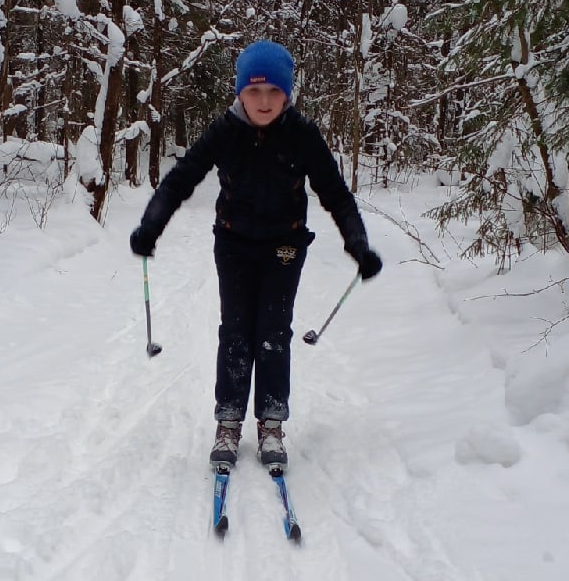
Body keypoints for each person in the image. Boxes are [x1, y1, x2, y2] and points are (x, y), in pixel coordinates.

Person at [129, 39, 382, 470]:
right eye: (254, 91)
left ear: (287, 94)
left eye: (274, 92)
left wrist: (357, 242)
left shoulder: (302, 135)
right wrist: (151, 225)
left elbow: (336, 195)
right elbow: (180, 180)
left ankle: (271, 422)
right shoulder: (224, 132)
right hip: (233, 244)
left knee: (273, 332)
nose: (263, 102)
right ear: (240, 92)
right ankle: (228, 421)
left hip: (285, 245)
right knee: (236, 332)